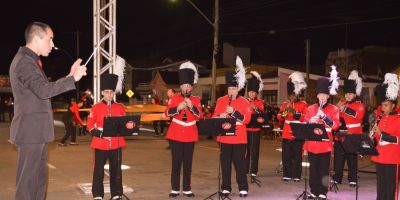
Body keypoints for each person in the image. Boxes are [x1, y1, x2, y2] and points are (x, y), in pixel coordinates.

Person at [9, 21, 86, 200]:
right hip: (30, 132)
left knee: (38, 182)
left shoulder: (29, 60)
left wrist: (69, 76)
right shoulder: (25, 62)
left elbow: (40, 88)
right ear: (37, 38)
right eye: (50, 39)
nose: (53, 44)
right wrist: (72, 79)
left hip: (35, 132)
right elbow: (43, 90)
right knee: (28, 184)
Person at [212, 56, 252, 198]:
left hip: (239, 139)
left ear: (238, 89)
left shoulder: (244, 102)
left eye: (234, 88)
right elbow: (214, 118)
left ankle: (243, 187)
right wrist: (220, 117)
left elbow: (247, 119)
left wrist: (234, 112)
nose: (231, 91)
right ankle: (226, 187)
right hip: (224, 138)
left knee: (240, 165)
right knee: (225, 165)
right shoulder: (221, 100)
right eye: (229, 88)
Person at [164, 61, 202, 198]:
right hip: (176, 134)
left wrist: (191, 106)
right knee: (176, 163)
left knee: (188, 164)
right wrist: (177, 108)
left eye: (188, 86)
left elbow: (199, 116)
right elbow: (166, 113)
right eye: (184, 85)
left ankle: (187, 188)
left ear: (191, 87)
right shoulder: (174, 98)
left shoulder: (196, 100)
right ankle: (175, 188)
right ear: (180, 86)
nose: (186, 88)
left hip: (190, 134)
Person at [87, 73, 126, 200]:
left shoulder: (120, 108)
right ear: (102, 92)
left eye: (111, 92)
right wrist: (101, 134)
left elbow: (124, 124)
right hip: (100, 143)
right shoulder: (96, 107)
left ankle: (116, 193)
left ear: (114, 93)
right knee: (98, 170)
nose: (109, 94)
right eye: (107, 92)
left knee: (116, 170)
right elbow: (90, 126)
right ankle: (98, 194)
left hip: (116, 143)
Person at [303, 66, 341, 200]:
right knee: (313, 170)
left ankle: (322, 191)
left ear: (328, 96)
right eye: (320, 95)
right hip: (313, 144)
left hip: (325, 145)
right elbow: (305, 125)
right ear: (317, 95)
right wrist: (310, 122)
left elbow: (335, 126)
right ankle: (313, 190)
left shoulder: (334, 109)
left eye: (325, 95)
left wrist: (324, 117)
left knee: (324, 170)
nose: (322, 98)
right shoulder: (310, 108)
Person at [332, 70, 365, 187]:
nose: (348, 96)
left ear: (355, 95)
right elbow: (335, 118)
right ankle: (337, 177)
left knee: (352, 158)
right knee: (338, 158)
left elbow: (358, 116)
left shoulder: (360, 105)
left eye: (350, 94)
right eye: (346, 94)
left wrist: (343, 109)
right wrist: (336, 110)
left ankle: (353, 178)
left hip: (353, 134)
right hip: (341, 135)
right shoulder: (341, 103)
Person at [371, 73, 400, 200]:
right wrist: (371, 139)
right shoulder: (380, 117)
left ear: (393, 105)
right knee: (381, 185)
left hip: (393, 157)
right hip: (380, 156)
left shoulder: (399, 119)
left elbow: (397, 139)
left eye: (386, 105)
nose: (383, 108)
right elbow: (377, 138)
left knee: (390, 186)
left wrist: (381, 134)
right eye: (382, 105)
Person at [277, 71, 308, 182]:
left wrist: (294, 112)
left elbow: (305, 118)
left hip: (298, 133)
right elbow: (280, 117)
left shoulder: (304, 104)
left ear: (298, 94)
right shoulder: (285, 104)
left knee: (297, 156)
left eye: (294, 95)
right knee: (286, 155)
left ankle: (296, 175)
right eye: (291, 95)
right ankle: (287, 174)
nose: (292, 97)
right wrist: (286, 111)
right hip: (286, 133)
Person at [245, 71, 265, 178]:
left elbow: (262, 114)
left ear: (256, 94)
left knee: (254, 152)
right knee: (246, 151)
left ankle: (254, 170)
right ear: (248, 92)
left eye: (254, 93)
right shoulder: (243, 101)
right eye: (251, 92)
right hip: (245, 130)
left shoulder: (260, 102)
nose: (252, 94)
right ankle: (245, 169)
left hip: (255, 131)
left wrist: (254, 107)